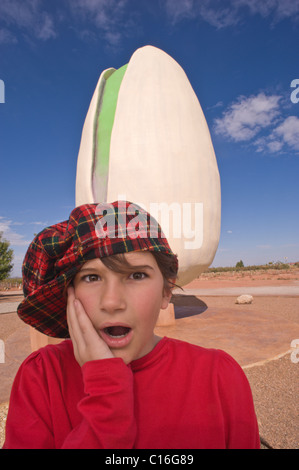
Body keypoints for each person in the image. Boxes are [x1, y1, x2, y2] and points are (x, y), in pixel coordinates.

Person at [3, 201, 260, 449]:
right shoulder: (43, 376)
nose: (112, 302)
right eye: (91, 277)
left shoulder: (219, 377)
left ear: (166, 292)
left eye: (137, 275)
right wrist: (107, 404)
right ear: (70, 293)